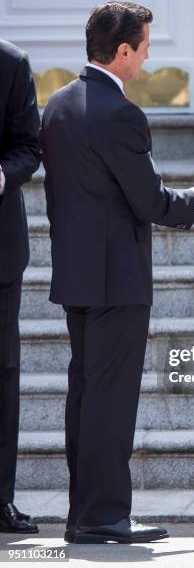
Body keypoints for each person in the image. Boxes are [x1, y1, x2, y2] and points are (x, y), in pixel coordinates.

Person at [40, 1, 194, 545]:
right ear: (123, 52)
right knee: (110, 401)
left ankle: (85, 513)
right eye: (144, 47)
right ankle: (103, 518)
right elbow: (151, 202)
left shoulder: (57, 103)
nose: (146, 59)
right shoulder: (121, 113)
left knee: (86, 397)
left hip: (76, 277)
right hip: (116, 281)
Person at [0, 39, 41, 534]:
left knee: (2, 375)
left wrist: (2, 176)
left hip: (0, 251)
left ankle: (1, 499)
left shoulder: (11, 63)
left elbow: (27, 147)